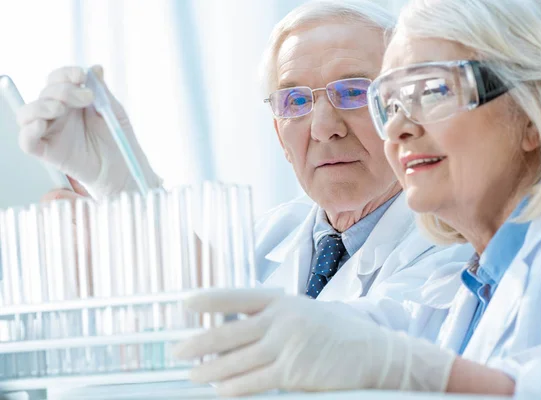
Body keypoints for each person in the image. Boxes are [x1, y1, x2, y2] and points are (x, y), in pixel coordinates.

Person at [171, 0, 541, 398]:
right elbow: (268, 330)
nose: (396, 129)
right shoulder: (466, 289)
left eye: (432, 91)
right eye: (389, 103)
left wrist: (424, 372)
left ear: (532, 112)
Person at [16, 0, 471, 336]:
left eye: (352, 92)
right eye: (295, 101)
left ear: (405, 112)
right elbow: (184, 325)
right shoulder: (265, 238)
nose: (323, 127)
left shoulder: (452, 242)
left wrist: (125, 187)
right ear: (279, 135)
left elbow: (335, 345)